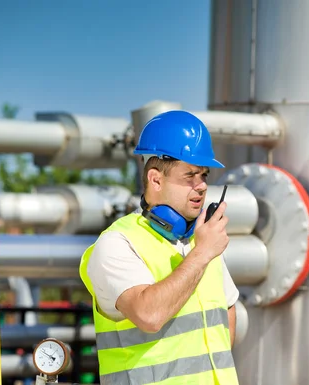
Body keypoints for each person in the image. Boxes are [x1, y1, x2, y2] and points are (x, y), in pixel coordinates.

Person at [79, 110, 241, 385]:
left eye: (204, 175)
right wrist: (201, 254)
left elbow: (227, 313)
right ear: (155, 179)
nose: (201, 186)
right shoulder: (117, 244)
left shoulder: (200, 241)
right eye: (190, 175)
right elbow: (149, 315)